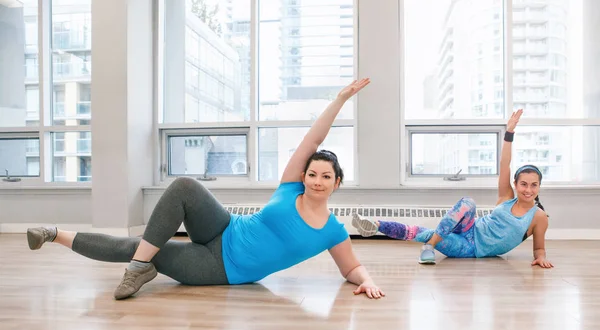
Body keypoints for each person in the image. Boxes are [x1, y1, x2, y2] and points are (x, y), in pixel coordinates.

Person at [27, 78, 386, 300]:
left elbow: (351, 269)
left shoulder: (333, 232)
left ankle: (55, 234)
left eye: (325, 177)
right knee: (184, 185)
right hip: (223, 226)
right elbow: (314, 138)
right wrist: (339, 100)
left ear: (337, 183)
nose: (317, 181)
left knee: (134, 247)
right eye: (313, 174)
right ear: (304, 175)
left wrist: (366, 281)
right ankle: (139, 267)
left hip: (220, 268)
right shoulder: (291, 187)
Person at [352, 109, 554, 268]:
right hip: (471, 227)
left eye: (533, 185)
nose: (528, 189)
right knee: (468, 203)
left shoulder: (539, 217)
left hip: (471, 248)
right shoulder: (507, 197)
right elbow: (505, 164)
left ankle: (376, 225)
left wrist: (540, 258)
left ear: (539, 187)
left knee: (424, 233)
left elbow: (539, 248)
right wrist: (509, 132)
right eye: (523, 184)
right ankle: (429, 247)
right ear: (516, 185)